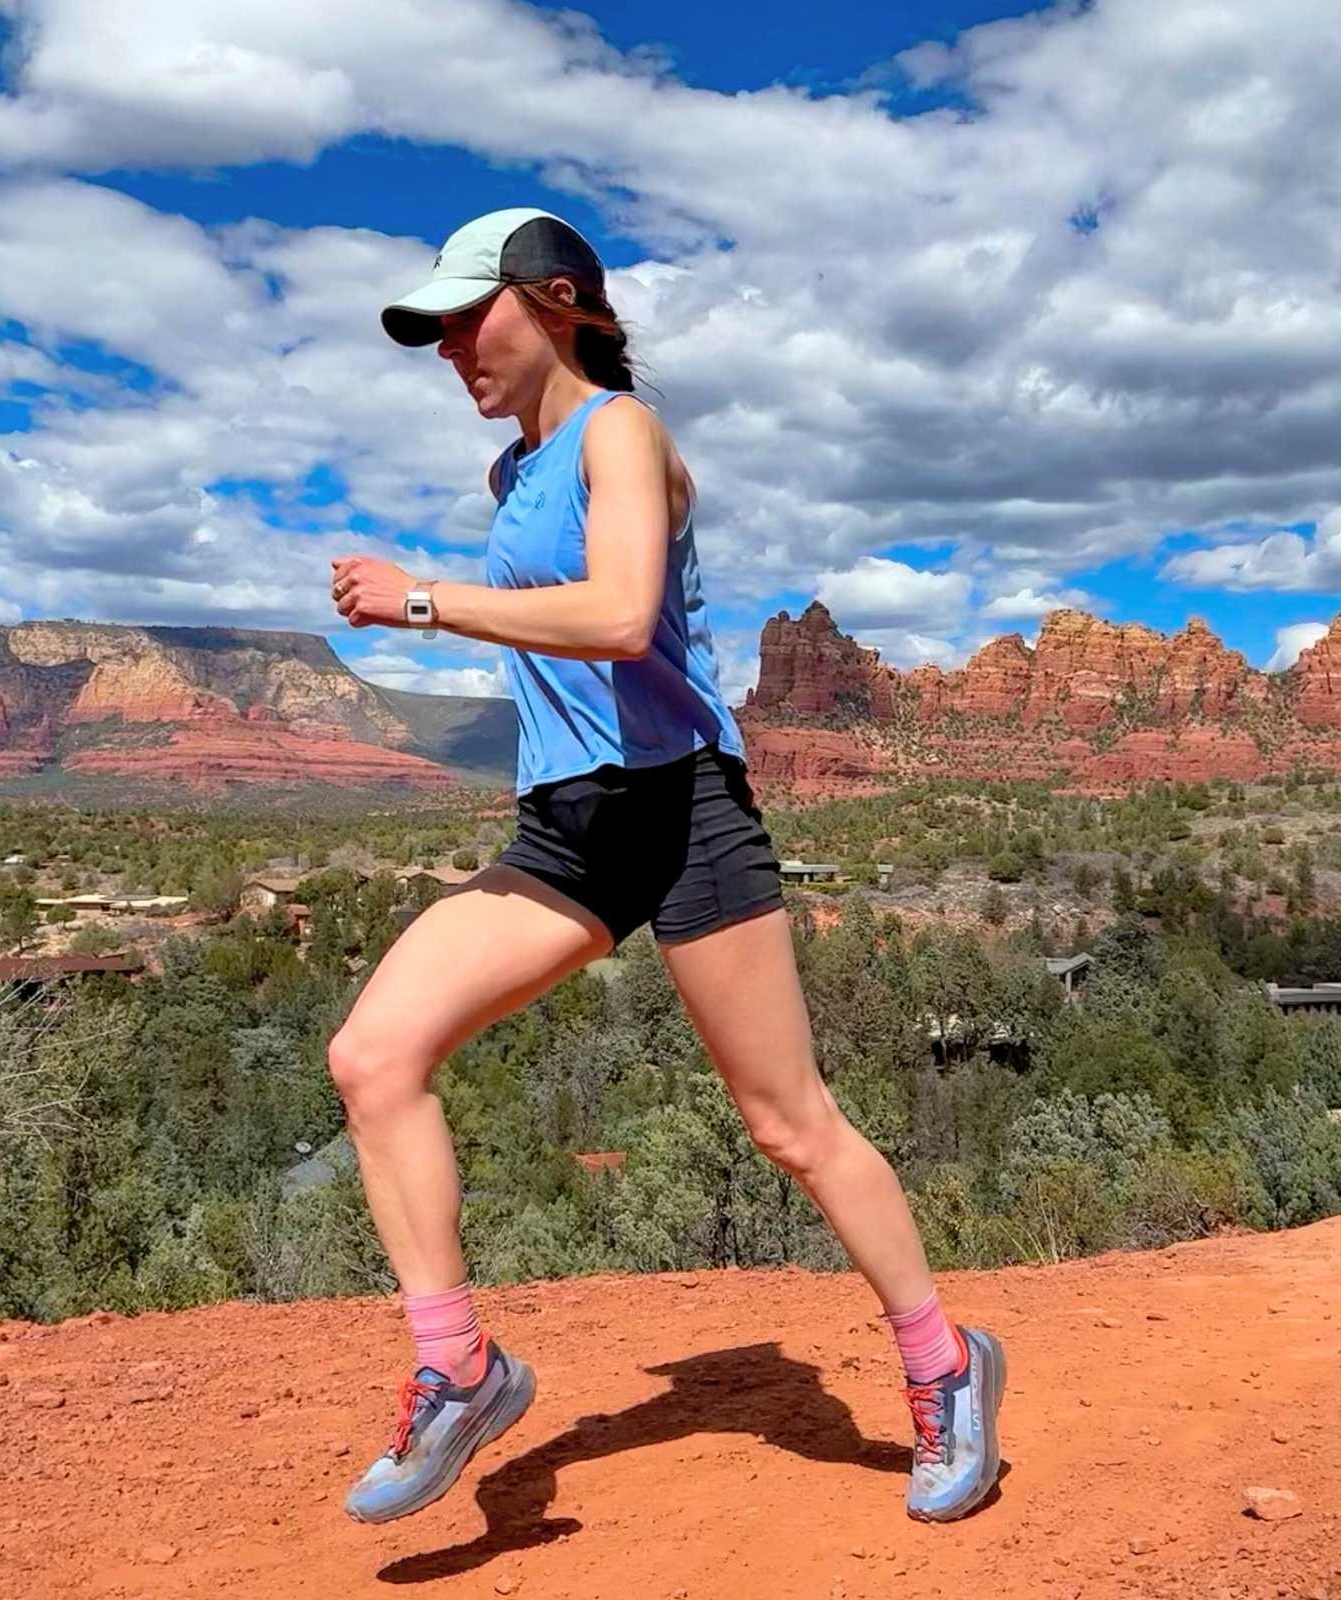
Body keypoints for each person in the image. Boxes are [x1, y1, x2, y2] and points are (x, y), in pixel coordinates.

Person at [324, 207, 1005, 1526]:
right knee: (371, 1058)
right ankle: (458, 1367)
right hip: (570, 833)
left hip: (683, 811)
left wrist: (420, 600)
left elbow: (624, 615)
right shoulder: (508, 477)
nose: (454, 347)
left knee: (786, 1122)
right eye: (440, 331)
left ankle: (945, 1365)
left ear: (559, 301)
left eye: (474, 315)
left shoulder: (619, 434)